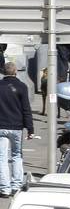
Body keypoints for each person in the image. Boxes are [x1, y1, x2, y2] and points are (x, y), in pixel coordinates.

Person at [0, 61, 33, 197]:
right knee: (17, 156)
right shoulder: (22, 86)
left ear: (3, 72)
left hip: (1, 126)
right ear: (15, 72)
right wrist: (30, 129)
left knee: (2, 158)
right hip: (16, 127)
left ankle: (4, 188)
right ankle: (16, 186)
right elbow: (26, 109)